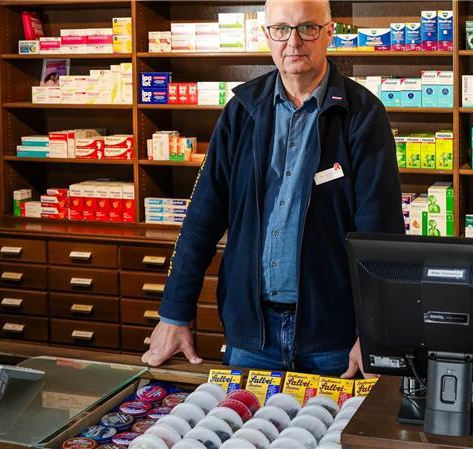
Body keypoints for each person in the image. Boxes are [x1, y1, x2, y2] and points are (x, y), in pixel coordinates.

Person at [141, 0, 403, 378]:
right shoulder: (242, 110)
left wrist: (374, 331)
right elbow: (201, 218)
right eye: (281, 29)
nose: (293, 42)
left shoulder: (362, 114)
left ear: (329, 33)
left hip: (334, 338)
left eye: (307, 28)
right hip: (251, 336)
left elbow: (381, 234)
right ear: (266, 36)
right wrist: (174, 313)